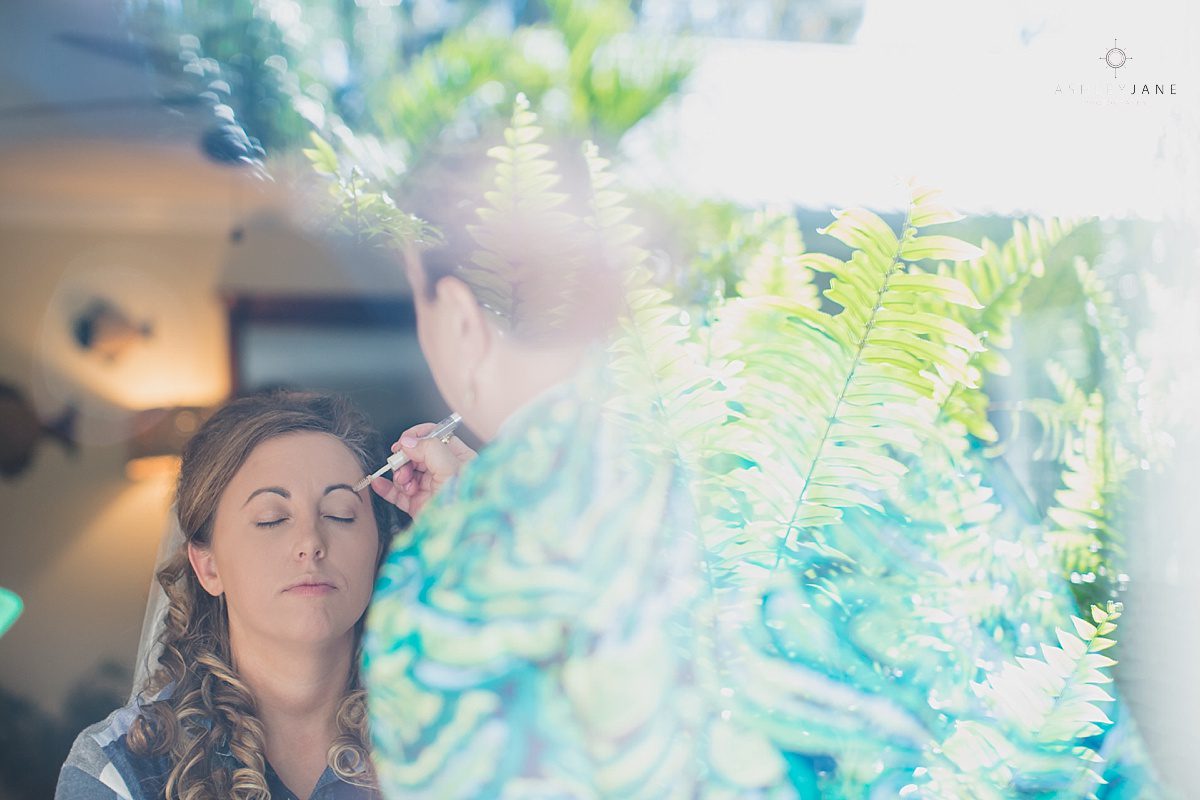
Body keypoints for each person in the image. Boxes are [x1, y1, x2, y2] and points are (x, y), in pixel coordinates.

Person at [359, 113, 766, 798]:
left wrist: (470, 530)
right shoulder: (751, 453)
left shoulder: (441, 586)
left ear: (459, 318)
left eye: (416, 306)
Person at [57, 392, 399, 800]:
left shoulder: (457, 725)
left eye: (340, 513)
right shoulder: (120, 768)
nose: (310, 542)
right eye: (271, 519)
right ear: (208, 566)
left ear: (379, 549)